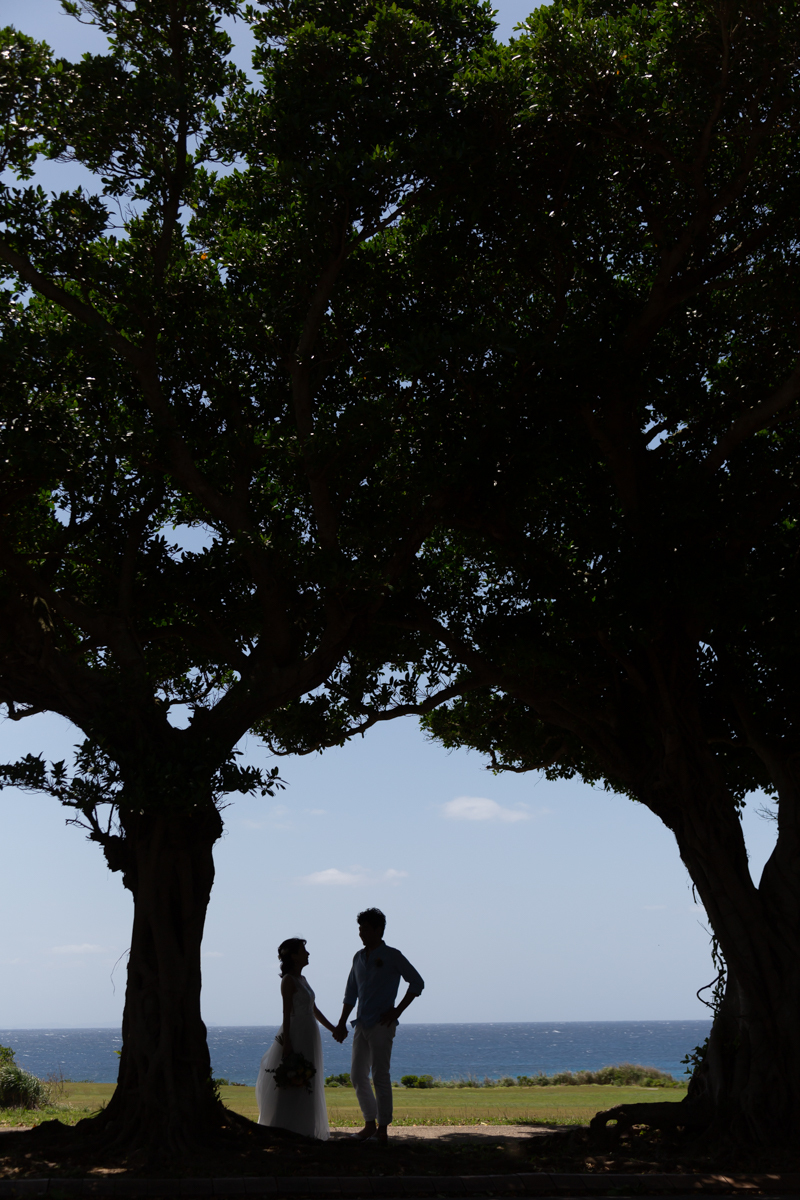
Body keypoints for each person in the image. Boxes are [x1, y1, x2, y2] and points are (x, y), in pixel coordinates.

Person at [333, 908, 424, 1143]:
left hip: (382, 1025)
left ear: (377, 930)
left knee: (380, 1075)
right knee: (356, 1075)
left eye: (364, 929)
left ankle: (382, 1130)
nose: (360, 933)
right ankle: (369, 1124)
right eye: (359, 929)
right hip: (361, 1024)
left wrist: (397, 1011)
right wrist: (342, 1022)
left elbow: (417, 982)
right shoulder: (358, 957)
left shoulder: (392, 955)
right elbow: (350, 992)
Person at [256, 937, 337, 1140]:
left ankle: (306, 1128)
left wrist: (333, 1029)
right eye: (303, 950)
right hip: (297, 1032)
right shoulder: (288, 981)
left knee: (309, 1076)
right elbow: (286, 1013)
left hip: (310, 1033)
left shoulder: (303, 980)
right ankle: (286, 1127)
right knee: (294, 1078)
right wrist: (288, 1042)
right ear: (293, 955)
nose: (307, 954)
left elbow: (314, 1010)